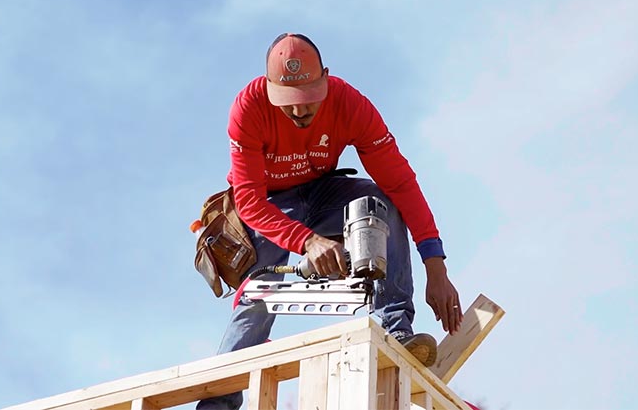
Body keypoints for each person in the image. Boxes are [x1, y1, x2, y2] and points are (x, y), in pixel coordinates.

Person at [197, 33, 462, 410]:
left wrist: (435, 266)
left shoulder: (350, 104)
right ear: (270, 89)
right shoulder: (248, 108)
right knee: (259, 291)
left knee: (379, 202)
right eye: (289, 104)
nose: (300, 112)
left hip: (324, 192)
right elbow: (252, 203)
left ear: (326, 77)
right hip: (272, 206)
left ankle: (395, 328)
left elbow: (400, 182)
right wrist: (308, 242)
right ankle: (218, 402)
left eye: (308, 101)